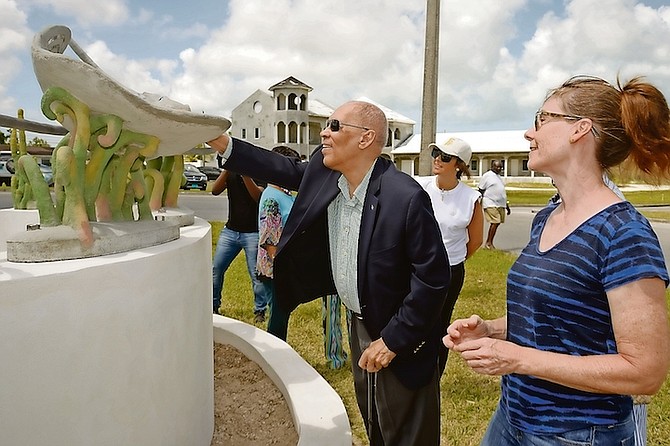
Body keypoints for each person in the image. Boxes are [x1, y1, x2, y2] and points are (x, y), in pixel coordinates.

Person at [444, 75, 670, 445]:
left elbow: (644, 372)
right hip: (513, 418)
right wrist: (493, 330)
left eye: (542, 118)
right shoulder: (547, 216)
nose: (529, 133)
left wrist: (517, 359)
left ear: (580, 130)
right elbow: (560, 323)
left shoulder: (624, 233)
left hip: (578, 434)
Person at [208, 100, 450, 445]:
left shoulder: (404, 197)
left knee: (407, 429)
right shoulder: (325, 175)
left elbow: (433, 279)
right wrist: (222, 142)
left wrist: (394, 340)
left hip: (398, 332)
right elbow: (279, 166)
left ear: (365, 139)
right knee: (374, 417)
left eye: (335, 126)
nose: (324, 131)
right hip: (358, 321)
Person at [414, 137, 483, 375]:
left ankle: (433, 372)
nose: (437, 160)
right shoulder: (419, 187)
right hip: (416, 267)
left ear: (459, 165)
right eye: (436, 154)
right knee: (412, 318)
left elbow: (475, 240)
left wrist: (451, 260)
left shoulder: (471, 198)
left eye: (445, 157)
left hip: (450, 270)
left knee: (439, 323)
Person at [211, 168, 272, 323]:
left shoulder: (257, 172)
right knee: (216, 269)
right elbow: (215, 190)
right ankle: (213, 306)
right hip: (230, 231)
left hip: (252, 232)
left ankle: (260, 310)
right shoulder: (230, 172)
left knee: (256, 275)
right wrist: (226, 170)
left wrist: (245, 174)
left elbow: (258, 197)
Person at [256, 145, 300, 339]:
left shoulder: (283, 194)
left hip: (281, 266)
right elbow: (269, 239)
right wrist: (282, 269)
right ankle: (275, 353)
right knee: (278, 316)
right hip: (273, 268)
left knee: (281, 313)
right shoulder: (272, 198)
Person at [478, 160, 510, 249]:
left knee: (497, 223)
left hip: (500, 204)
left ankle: (489, 242)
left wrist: (507, 205)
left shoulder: (499, 177)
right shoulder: (487, 176)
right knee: (495, 222)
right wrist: (478, 203)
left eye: (500, 167)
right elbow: (481, 189)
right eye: (497, 167)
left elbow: (501, 192)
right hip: (490, 202)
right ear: (492, 166)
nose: (499, 169)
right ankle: (488, 243)